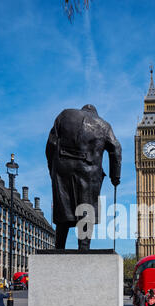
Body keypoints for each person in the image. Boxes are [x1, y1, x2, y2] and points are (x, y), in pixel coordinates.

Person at [46, 105, 122, 251]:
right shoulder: (104, 125)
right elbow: (116, 149)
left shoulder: (64, 114)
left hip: (62, 167)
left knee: (63, 207)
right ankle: (84, 247)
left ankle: (59, 247)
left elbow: (50, 145)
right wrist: (115, 176)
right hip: (90, 170)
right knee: (87, 209)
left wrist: (53, 169)